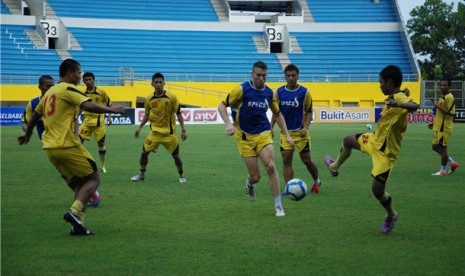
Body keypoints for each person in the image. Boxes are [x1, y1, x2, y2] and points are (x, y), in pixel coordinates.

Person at [18, 59, 125, 236]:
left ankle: (78, 225)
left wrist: (27, 135)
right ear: (69, 73)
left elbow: (36, 116)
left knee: (79, 186)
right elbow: (87, 105)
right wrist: (112, 110)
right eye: (78, 73)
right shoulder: (67, 89)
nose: (80, 76)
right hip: (67, 144)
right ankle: (74, 212)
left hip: (50, 149)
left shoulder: (48, 93)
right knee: (93, 179)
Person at [323, 65, 419, 234]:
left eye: (381, 82)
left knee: (377, 190)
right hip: (374, 140)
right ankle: (334, 167)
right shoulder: (394, 95)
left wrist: (398, 102)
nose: (379, 85)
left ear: (389, 82)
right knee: (347, 140)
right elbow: (402, 97)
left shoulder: (399, 100)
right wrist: (399, 96)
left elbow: (415, 106)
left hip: (386, 153)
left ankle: (391, 215)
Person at [217, 61, 295, 217]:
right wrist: (228, 124)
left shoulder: (269, 93)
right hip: (244, 136)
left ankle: (278, 206)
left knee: (271, 166)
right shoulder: (241, 90)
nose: (261, 78)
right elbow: (221, 106)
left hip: (263, 133)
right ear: (252, 75)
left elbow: (278, 114)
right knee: (256, 176)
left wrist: (287, 134)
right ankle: (249, 184)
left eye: (264, 76)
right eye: (258, 75)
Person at [271, 64, 321, 194]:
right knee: (286, 161)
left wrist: (306, 127)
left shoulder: (304, 92)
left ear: (298, 76)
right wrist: (270, 128)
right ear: (285, 77)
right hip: (285, 134)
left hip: (301, 134)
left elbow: (309, 111)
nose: (291, 78)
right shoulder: (279, 92)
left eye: (294, 75)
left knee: (306, 160)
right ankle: (289, 188)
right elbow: (276, 113)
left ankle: (316, 181)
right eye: (288, 76)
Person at [131, 72, 187, 183]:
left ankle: (181, 175)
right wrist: (139, 127)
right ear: (152, 84)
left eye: (160, 82)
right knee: (144, 153)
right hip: (154, 133)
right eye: (156, 82)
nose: (158, 84)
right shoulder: (149, 99)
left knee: (176, 156)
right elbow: (147, 115)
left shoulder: (172, 97)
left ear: (164, 83)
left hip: (169, 134)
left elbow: (179, 114)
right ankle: (142, 174)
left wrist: (183, 130)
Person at [78, 72, 111, 207]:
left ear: (94, 80)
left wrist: (109, 116)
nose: (88, 82)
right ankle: (78, 165)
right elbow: (80, 107)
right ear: (84, 81)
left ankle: (102, 165)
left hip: (99, 123)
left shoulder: (101, 91)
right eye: (86, 80)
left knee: (101, 145)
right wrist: (75, 117)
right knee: (77, 143)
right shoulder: (82, 93)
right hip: (86, 122)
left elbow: (108, 103)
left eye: (90, 79)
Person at [429, 78, 459, 176]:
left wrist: (438, 106)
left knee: (442, 149)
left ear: (449, 86)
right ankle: (452, 163)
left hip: (444, 127)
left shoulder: (449, 97)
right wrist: (434, 123)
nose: (442, 87)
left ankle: (443, 171)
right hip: (439, 126)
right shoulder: (443, 96)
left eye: (445, 85)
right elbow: (441, 114)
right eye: (441, 85)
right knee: (435, 147)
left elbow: (451, 113)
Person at [21, 75, 55, 139]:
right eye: (48, 86)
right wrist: (27, 132)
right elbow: (25, 123)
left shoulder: (60, 101)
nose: (51, 89)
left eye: (53, 86)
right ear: (40, 87)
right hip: (45, 140)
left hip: (61, 138)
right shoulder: (33, 103)